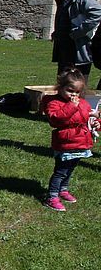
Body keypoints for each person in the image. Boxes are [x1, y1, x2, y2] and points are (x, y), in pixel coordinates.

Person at [42, 68, 99, 211]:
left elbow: (87, 117)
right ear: (60, 87)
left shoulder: (83, 103)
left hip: (81, 141)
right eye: (70, 90)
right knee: (61, 171)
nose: (74, 95)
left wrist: (96, 123)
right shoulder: (54, 103)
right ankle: (52, 196)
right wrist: (71, 106)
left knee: (70, 169)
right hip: (65, 143)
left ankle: (63, 189)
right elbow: (55, 119)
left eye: (77, 92)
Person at [51, 0, 101, 83]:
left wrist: (79, 31)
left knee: (77, 81)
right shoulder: (64, 2)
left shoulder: (81, 0)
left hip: (78, 49)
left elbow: (98, 13)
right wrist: (57, 32)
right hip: (64, 48)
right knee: (63, 80)